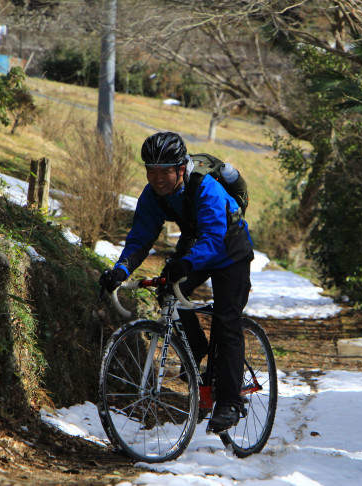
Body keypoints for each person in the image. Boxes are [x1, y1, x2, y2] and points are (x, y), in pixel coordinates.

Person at [99, 131, 254, 434]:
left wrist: (183, 264)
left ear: (180, 169)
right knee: (167, 289)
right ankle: (195, 347)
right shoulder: (153, 195)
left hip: (231, 249)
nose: (157, 178)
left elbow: (214, 239)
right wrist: (120, 270)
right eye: (150, 171)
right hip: (198, 242)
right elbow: (140, 238)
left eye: (164, 171)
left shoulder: (206, 188)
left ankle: (230, 402)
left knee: (226, 320)